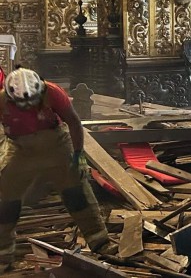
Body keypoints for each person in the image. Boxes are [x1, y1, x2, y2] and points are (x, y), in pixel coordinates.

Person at [0, 67, 111, 271]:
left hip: (56, 143)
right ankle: (3, 253)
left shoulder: (53, 92)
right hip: (20, 148)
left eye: (30, 102)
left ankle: (100, 241)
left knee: (75, 189)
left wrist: (78, 155)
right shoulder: (2, 101)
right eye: (21, 103)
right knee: (6, 197)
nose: (27, 107)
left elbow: (74, 122)